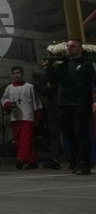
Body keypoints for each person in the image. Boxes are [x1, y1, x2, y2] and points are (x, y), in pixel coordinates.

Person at [44, 39, 95, 175]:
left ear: (80, 49)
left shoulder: (86, 64)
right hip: (64, 104)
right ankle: (74, 161)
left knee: (80, 133)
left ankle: (85, 163)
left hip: (81, 103)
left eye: (73, 46)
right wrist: (48, 67)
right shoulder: (63, 65)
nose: (69, 48)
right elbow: (53, 81)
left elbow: (94, 82)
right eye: (67, 46)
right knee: (69, 134)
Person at [1, 65, 42, 170]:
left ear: (22, 74)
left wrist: (37, 116)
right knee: (18, 141)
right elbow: (4, 99)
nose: (16, 75)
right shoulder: (9, 88)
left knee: (25, 139)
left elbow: (36, 102)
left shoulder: (29, 87)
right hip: (15, 117)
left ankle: (20, 159)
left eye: (18, 73)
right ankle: (32, 160)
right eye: (14, 73)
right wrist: (8, 105)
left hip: (27, 117)